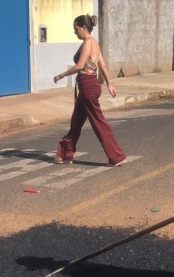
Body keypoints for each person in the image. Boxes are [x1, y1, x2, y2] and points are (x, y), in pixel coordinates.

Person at [53, 14, 126, 167]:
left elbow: (80, 66)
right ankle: (66, 153)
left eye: (76, 29)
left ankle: (116, 156)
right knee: (76, 121)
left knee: (99, 123)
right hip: (89, 86)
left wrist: (62, 75)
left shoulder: (88, 42)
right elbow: (103, 66)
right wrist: (109, 84)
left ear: (84, 28)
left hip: (87, 86)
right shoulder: (95, 43)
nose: (75, 32)